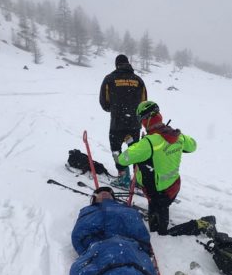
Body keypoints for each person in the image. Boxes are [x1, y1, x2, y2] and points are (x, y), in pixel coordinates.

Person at [116, 100, 198, 235]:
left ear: (145, 121)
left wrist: (133, 147)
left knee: (158, 229)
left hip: (156, 192)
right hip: (173, 186)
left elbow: (122, 160)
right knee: (162, 206)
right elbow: (193, 145)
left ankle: (160, 231)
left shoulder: (149, 142)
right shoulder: (177, 136)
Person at [99, 54, 147, 188]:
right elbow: (144, 103)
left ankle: (124, 176)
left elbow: (104, 102)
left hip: (117, 124)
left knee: (116, 150)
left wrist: (115, 108)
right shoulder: (138, 80)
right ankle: (139, 179)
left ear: (116, 65)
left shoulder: (109, 79)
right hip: (134, 125)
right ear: (128, 64)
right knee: (136, 151)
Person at [71, 186, 150, 255]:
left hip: (129, 245)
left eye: (108, 194)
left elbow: (135, 223)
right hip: (99, 248)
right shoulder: (88, 211)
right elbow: (80, 230)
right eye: (101, 193)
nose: (105, 194)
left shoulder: (124, 208)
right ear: (94, 199)